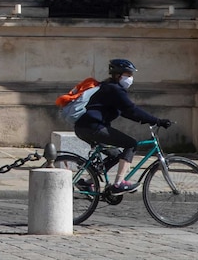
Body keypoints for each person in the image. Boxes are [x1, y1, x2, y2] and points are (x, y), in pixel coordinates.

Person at [74, 58, 172, 193]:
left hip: (85, 127)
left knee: (115, 155)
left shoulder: (110, 87)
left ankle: (87, 182)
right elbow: (131, 109)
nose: (131, 78)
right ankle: (118, 184)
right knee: (131, 144)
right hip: (92, 128)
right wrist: (157, 120)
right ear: (118, 75)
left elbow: (126, 112)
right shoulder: (114, 89)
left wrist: (147, 120)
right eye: (128, 75)